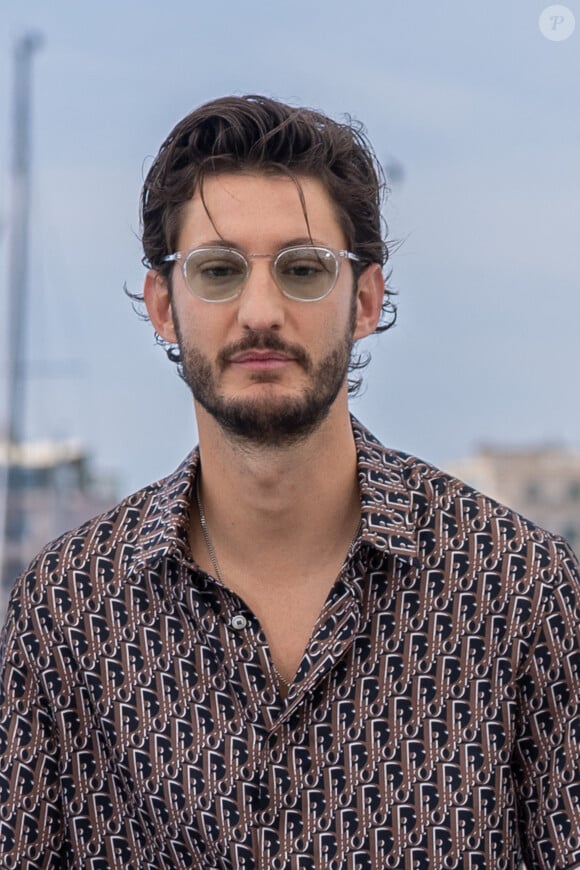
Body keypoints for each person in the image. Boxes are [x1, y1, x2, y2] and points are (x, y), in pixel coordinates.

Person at [0, 95, 578, 870]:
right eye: (218, 271)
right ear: (163, 306)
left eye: (303, 269)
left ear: (365, 300)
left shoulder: (523, 591)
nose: (261, 311)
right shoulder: (67, 611)